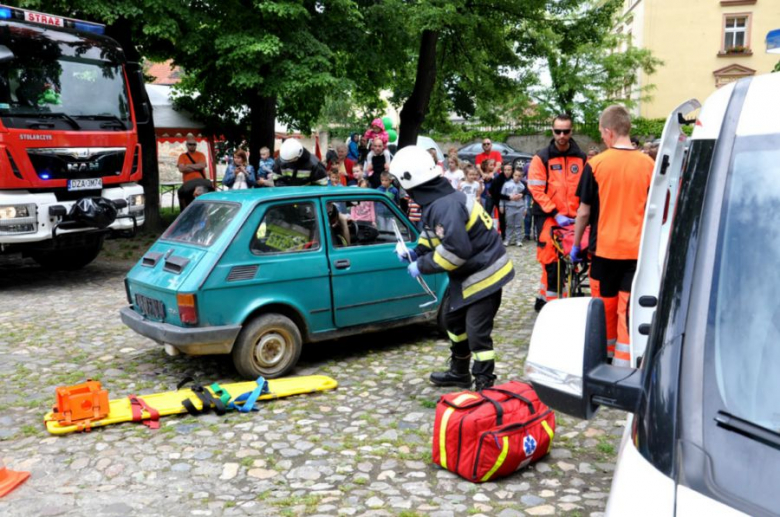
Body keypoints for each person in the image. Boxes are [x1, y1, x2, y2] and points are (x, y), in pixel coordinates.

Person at [391, 146, 514, 391]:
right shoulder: (436, 201)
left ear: (411, 180)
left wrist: (422, 266)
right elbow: (433, 237)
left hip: (485, 275)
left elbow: (457, 251)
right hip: (470, 274)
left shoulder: (444, 205)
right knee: (453, 322)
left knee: (476, 332)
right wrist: (416, 252)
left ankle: (484, 382)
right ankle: (459, 372)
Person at [571, 105, 654, 367]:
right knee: (629, 308)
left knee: (605, 306)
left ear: (608, 132)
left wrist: (575, 246)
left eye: (601, 133)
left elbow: (583, 213)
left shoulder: (596, 165)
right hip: (637, 252)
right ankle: (627, 361)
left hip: (605, 250)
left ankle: (605, 358)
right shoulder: (648, 164)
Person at [527, 114, 587, 311]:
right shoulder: (541, 158)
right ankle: (551, 305)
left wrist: (581, 213)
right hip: (549, 218)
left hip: (575, 219)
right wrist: (554, 212)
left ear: (572, 131)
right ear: (552, 131)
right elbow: (536, 190)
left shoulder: (581, 158)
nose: (562, 135)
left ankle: (546, 298)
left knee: (575, 261)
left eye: (566, 131)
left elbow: (586, 189)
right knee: (550, 261)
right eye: (558, 131)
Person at [177, 134, 212, 210]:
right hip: (188, 183)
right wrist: (196, 166)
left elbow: (202, 166)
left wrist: (188, 166)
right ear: (186, 145)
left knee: (202, 203)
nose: (192, 146)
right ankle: (184, 211)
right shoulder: (182, 156)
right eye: (190, 144)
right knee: (182, 195)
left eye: (194, 144)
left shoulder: (201, 154)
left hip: (200, 181)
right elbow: (181, 169)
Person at [500, 169, 526, 247]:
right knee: (509, 224)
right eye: (516, 175)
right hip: (509, 207)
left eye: (519, 176)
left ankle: (518, 240)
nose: (517, 177)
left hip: (520, 207)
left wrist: (525, 208)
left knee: (519, 224)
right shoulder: (506, 184)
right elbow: (502, 196)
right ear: (513, 175)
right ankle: (508, 239)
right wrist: (501, 206)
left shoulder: (522, 186)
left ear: (522, 177)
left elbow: (524, 198)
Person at [490, 163, 515, 241]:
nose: (507, 172)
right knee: (502, 218)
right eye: (505, 170)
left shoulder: (514, 177)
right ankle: (503, 235)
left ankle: (512, 235)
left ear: (512, 170)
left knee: (511, 218)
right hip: (498, 199)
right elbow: (494, 193)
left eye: (509, 170)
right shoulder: (498, 179)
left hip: (511, 200)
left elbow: (523, 186)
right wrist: (508, 197)